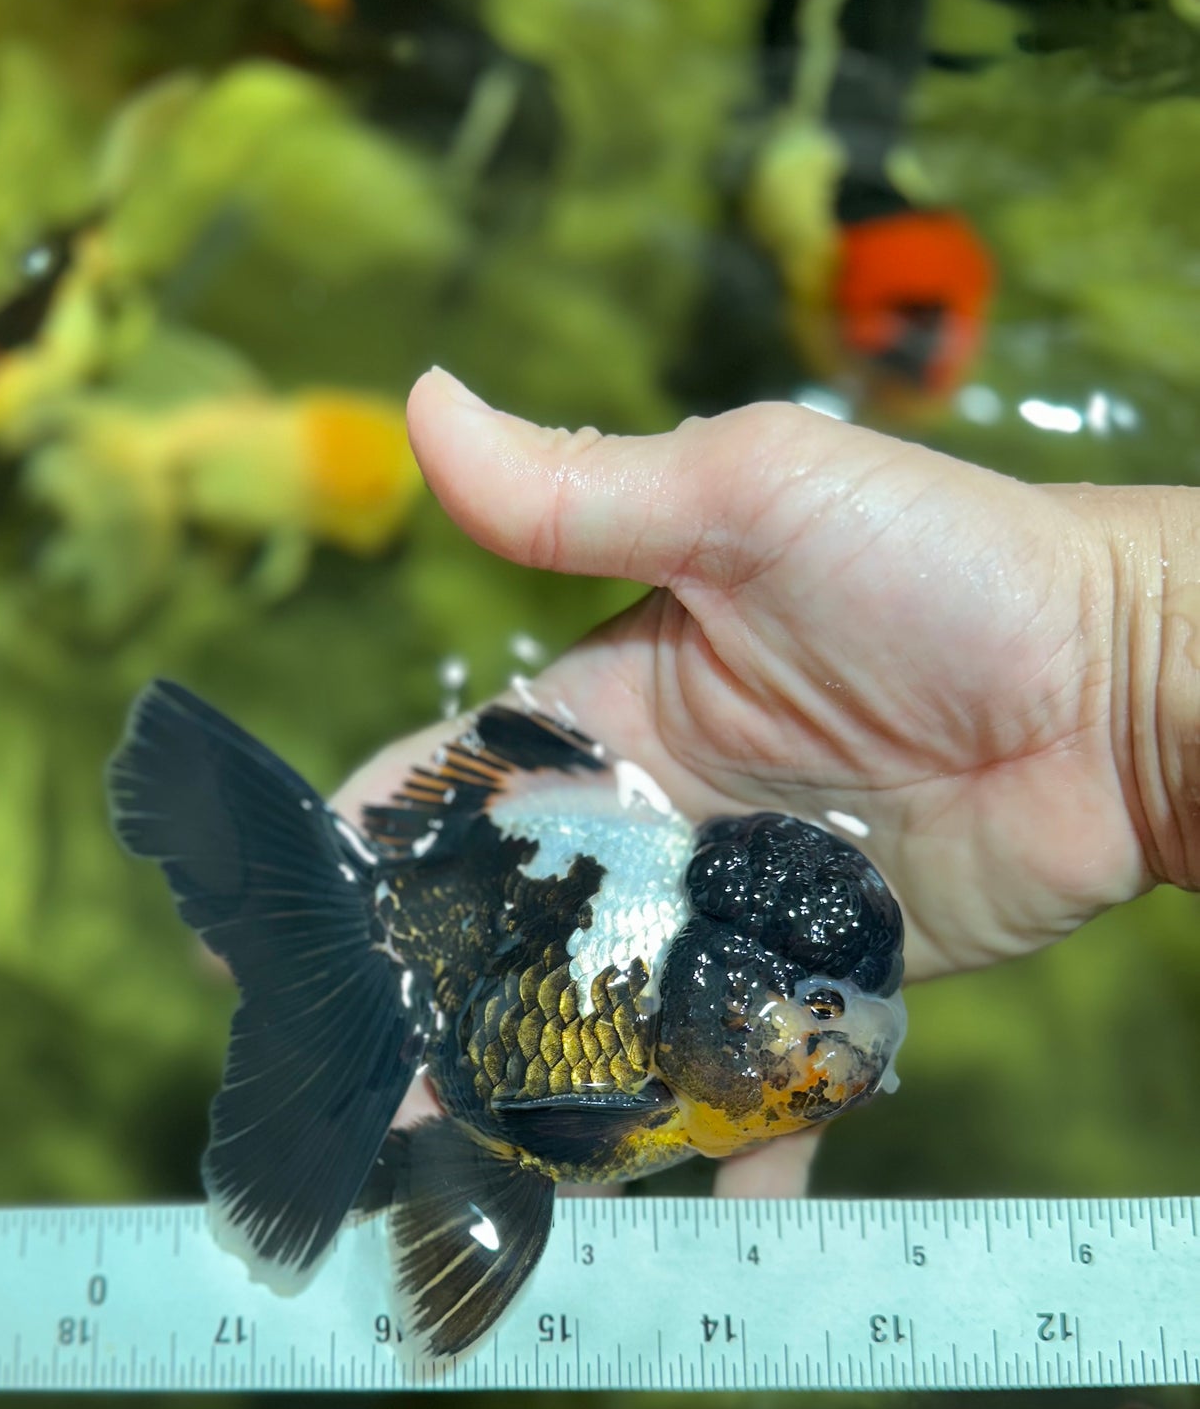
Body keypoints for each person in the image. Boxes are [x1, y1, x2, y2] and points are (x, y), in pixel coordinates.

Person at [337, 366, 1199, 1197]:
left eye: (828, 1012)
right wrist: (1117, 655)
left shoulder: (710, 974)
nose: (845, 1043)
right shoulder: (673, 968)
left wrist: (1121, 655)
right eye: (819, 1009)